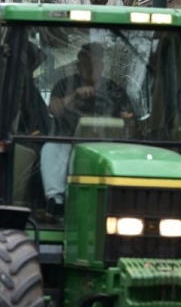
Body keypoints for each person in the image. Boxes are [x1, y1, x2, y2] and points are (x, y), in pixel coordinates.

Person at [40, 42, 134, 217]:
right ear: (78, 64)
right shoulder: (64, 85)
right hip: (69, 145)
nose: (89, 66)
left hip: (110, 147)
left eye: (94, 62)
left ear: (102, 66)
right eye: (85, 62)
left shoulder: (115, 90)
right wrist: (74, 95)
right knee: (50, 148)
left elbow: (129, 120)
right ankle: (56, 201)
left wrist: (125, 118)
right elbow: (54, 109)